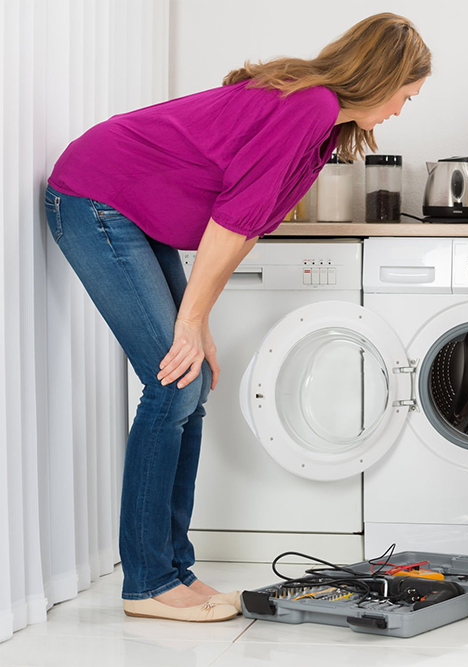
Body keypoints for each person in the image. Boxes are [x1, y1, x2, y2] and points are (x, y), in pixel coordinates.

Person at [44, 13, 431, 622]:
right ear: (382, 77)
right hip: (97, 198)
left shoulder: (323, 127)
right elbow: (229, 221)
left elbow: (244, 227)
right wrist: (190, 321)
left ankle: (174, 572)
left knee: (189, 385)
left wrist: (202, 324)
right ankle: (146, 584)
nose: (403, 111)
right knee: (171, 387)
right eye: (407, 96)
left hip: (134, 215)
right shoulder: (310, 106)